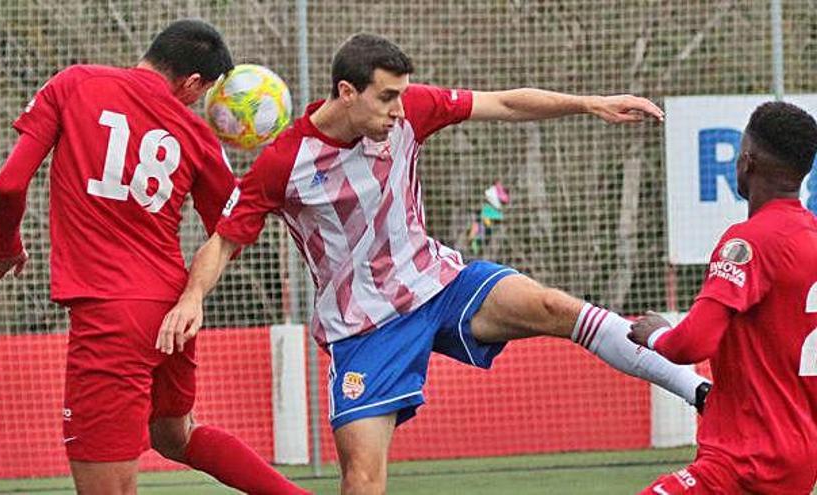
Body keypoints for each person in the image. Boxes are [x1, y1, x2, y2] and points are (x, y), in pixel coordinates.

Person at [157, 33, 710, 495]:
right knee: (363, 480)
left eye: (401, 96)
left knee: (553, 306)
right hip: (364, 327)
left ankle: (698, 391)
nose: (399, 109)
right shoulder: (284, 163)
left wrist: (589, 103)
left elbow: (506, 103)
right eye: (386, 98)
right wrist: (191, 298)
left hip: (438, 282)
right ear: (347, 92)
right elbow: (224, 240)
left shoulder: (410, 112)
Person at [0, 19, 308, 495]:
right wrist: (193, 295)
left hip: (110, 316)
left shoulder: (75, 83)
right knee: (174, 434)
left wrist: (6, 244)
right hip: (171, 311)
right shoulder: (198, 135)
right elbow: (231, 232)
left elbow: (8, 184)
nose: (199, 103)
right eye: (204, 93)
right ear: (191, 83)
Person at [629, 101, 817, 494]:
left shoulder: (749, 241)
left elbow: (692, 343)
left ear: (746, 161)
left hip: (745, 457)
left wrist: (656, 334)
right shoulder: (811, 238)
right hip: (800, 455)